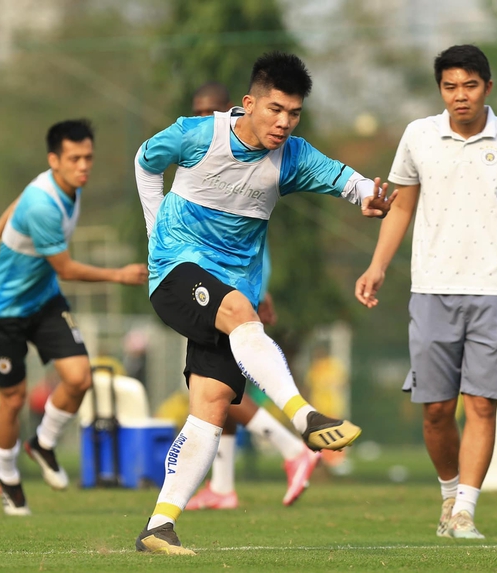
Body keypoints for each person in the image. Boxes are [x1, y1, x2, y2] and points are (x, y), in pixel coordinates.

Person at [133, 51, 395, 555]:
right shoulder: (198, 133)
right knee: (238, 312)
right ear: (249, 103)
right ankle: (304, 419)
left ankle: (159, 526)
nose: (283, 122)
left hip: (234, 290)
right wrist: (152, 234)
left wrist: (369, 197)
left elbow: (348, 180)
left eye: (293, 113)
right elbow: (146, 161)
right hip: (177, 271)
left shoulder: (292, 156)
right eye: (275, 109)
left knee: (211, 406)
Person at [355, 44, 497, 540]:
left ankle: (465, 511)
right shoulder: (419, 135)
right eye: (449, 86)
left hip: (495, 292)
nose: (459, 96)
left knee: (482, 404)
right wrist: (377, 265)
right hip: (431, 289)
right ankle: (449, 494)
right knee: (438, 410)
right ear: (440, 89)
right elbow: (400, 207)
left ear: (488, 87)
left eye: (469, 85)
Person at [0, 119, 148, 516]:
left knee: (80, 377)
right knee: (13, 399)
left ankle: (42, 443)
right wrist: (118, 275)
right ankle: (8, 478)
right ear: (54, 160)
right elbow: (65, 268)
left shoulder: (58, 186)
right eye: (74, 159)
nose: (83, 166)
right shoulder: (45, 203)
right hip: (3, 312)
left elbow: (19, 201)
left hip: (43, 301)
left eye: (88, 158)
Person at [184, 80, 322, 511]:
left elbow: (251, 240)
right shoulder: (200, 155)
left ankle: (292, 446)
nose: (206, 119)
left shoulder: (256, 159)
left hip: (232, 290)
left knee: (216, 387)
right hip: (202, 283)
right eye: (199, 111)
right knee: (208, 384)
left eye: (212, 111)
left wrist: (259, 293)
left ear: (232, 110)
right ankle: (222, 486)